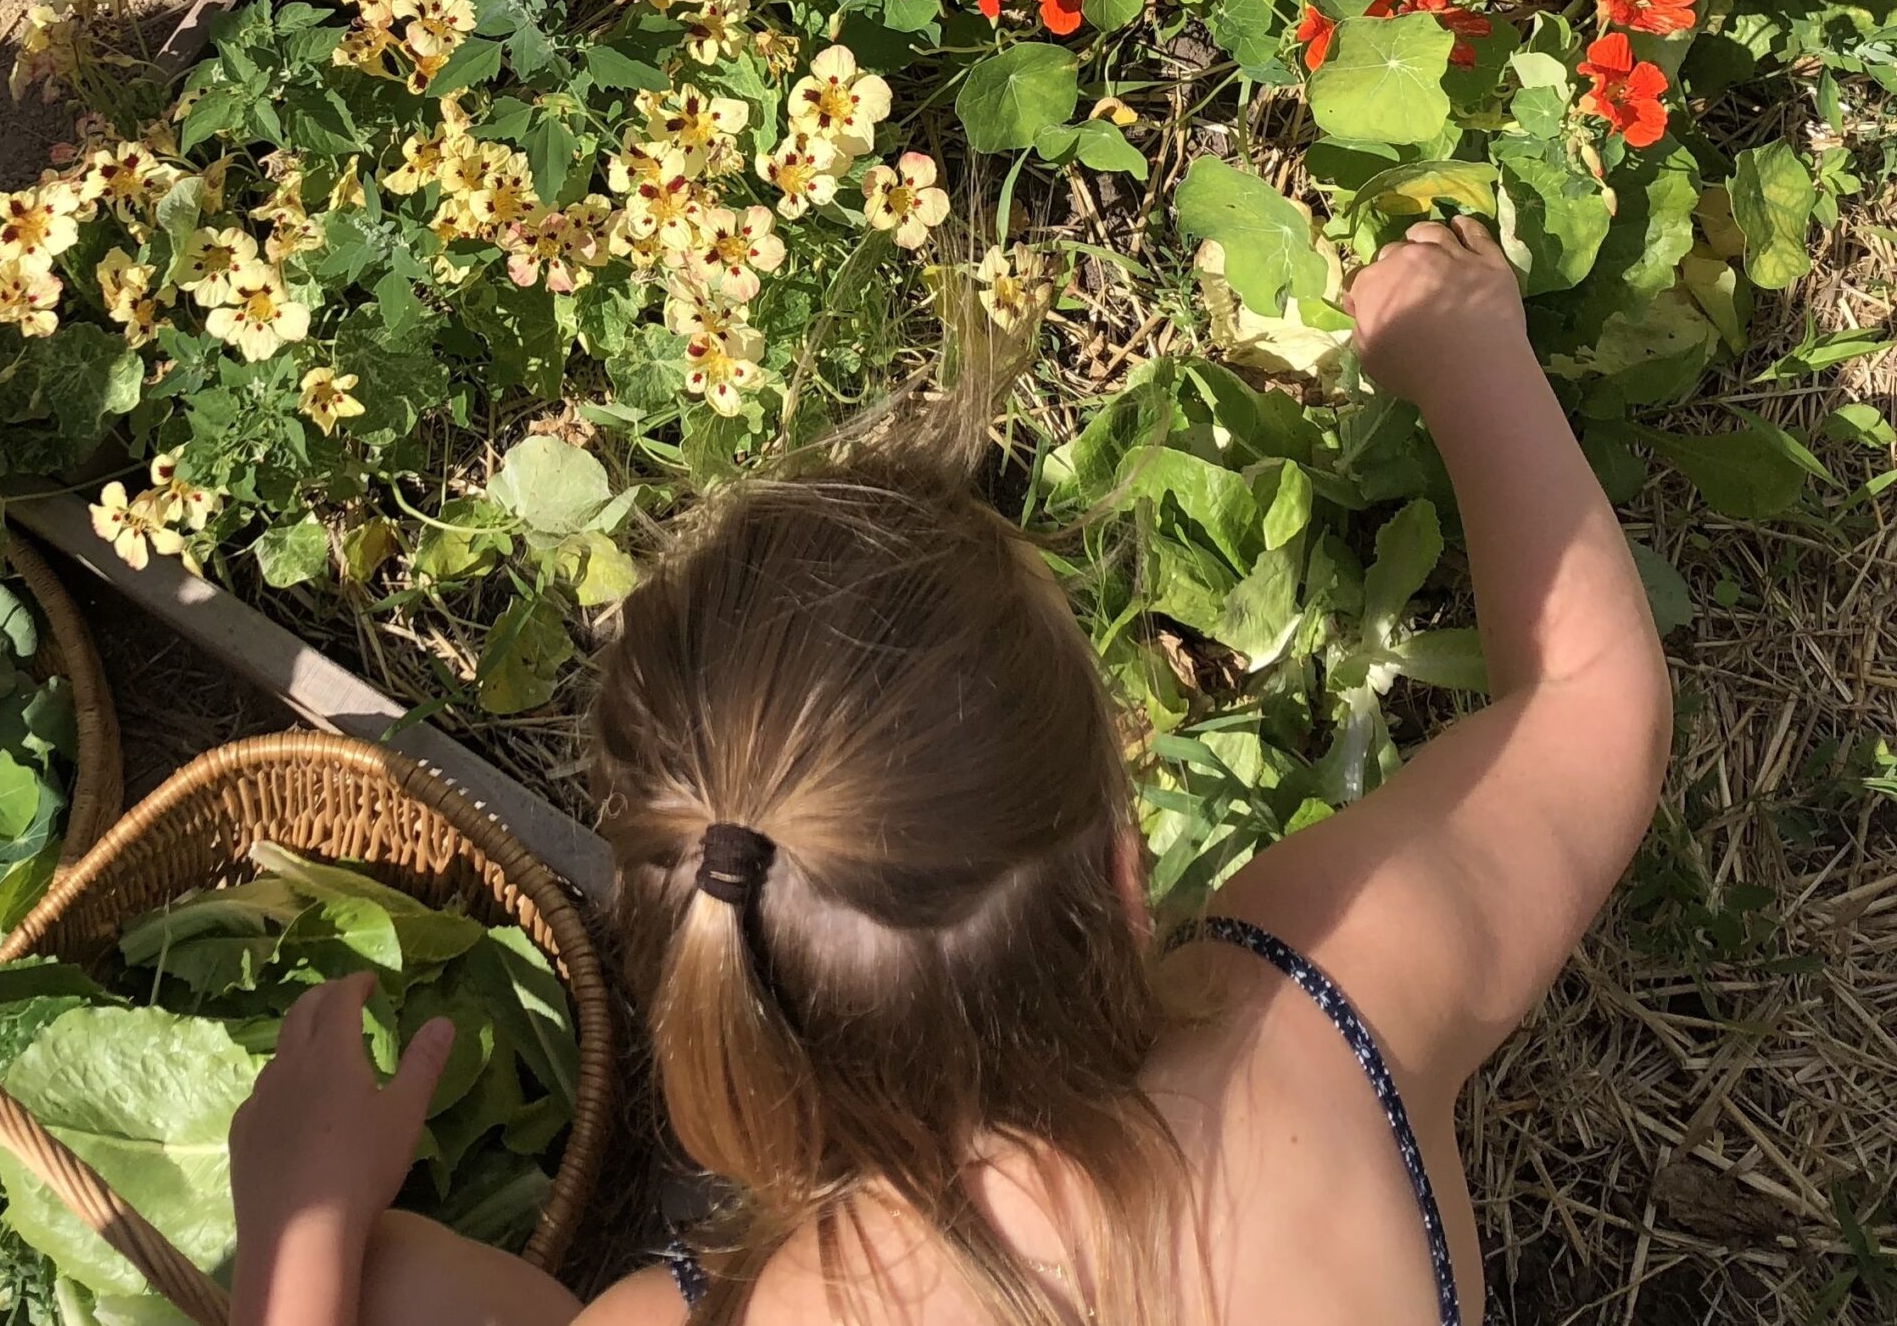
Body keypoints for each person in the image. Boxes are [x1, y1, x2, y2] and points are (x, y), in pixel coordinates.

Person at [222, 216, 1674, 1326]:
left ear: (710, 988)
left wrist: (293, 1237)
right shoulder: (1311, 1013)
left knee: (390, 1281)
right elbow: (1596, 701)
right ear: (1121, 870)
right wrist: (1471, 346)